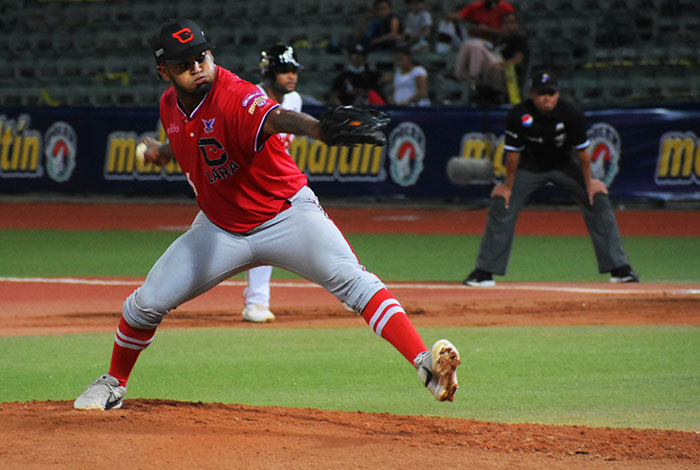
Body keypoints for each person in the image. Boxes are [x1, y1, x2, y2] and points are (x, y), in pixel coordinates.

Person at [73, 18, 461, 410]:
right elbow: (193, 136)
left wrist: (320, 130)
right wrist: (161, 151)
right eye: (183, 63)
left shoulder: (235, 95)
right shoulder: (170, 105)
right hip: (220, 229)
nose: (196, 67)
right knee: (144, 303)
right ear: (163, 72)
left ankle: (424, 364)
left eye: (201, 56)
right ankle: (114, 382)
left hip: (287, 215)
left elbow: (277, 118)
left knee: (355, 281)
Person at [463, 70, 640, 287]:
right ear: (531, 94)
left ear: (558, 94)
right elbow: (513, 154)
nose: (547, 98)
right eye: (541, 93)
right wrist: (507, 187)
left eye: (551, 93)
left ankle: (620, 268)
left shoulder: (570, 114)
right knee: (503, 203)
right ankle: (484, 272)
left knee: (598, 199)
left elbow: (583, 154)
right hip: (529, 166)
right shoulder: (519, 114)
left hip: (566, 165)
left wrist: (590, 183)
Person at [240, 44, 304, 323]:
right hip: (243, 181)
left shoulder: (295, 101)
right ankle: (255, 303)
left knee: (317, 232)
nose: (291, 76)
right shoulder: (248, 98)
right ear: (268, 74)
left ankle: (353, 289)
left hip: (279, 182)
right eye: (283, 71)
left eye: (293, 70)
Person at [454, 12, 527, 100]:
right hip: (489, 71)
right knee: (467, 44)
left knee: (477, 46)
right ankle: (460, 74)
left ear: (517, 25)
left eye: (511, 23)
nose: (508, 26)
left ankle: (473, 77)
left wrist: (502, 64)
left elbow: (518, 60)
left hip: (504, 73)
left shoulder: (518, 39)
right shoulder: (499, 39)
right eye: (505, 23)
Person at [446, 0, 515, 42]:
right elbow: (458, 16)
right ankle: (441, 52)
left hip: (489, 42)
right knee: (447, 25)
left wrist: (487, 29)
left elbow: (508, 32)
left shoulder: (505, 8)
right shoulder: (476, 5)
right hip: (468, 37)